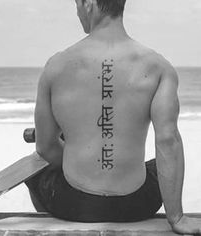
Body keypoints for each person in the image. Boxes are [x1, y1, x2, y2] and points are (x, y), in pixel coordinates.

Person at [26, 0, 201, 234]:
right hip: (137, 204)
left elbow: (46, 148)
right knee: (159, 166)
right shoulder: (158, 66)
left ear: (89, 4)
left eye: (76, 3)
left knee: (34, 170)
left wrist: (78, 165)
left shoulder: (55, 66)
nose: (77, 11)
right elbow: (168, 141)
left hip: (73, 205)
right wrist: (176, 217)